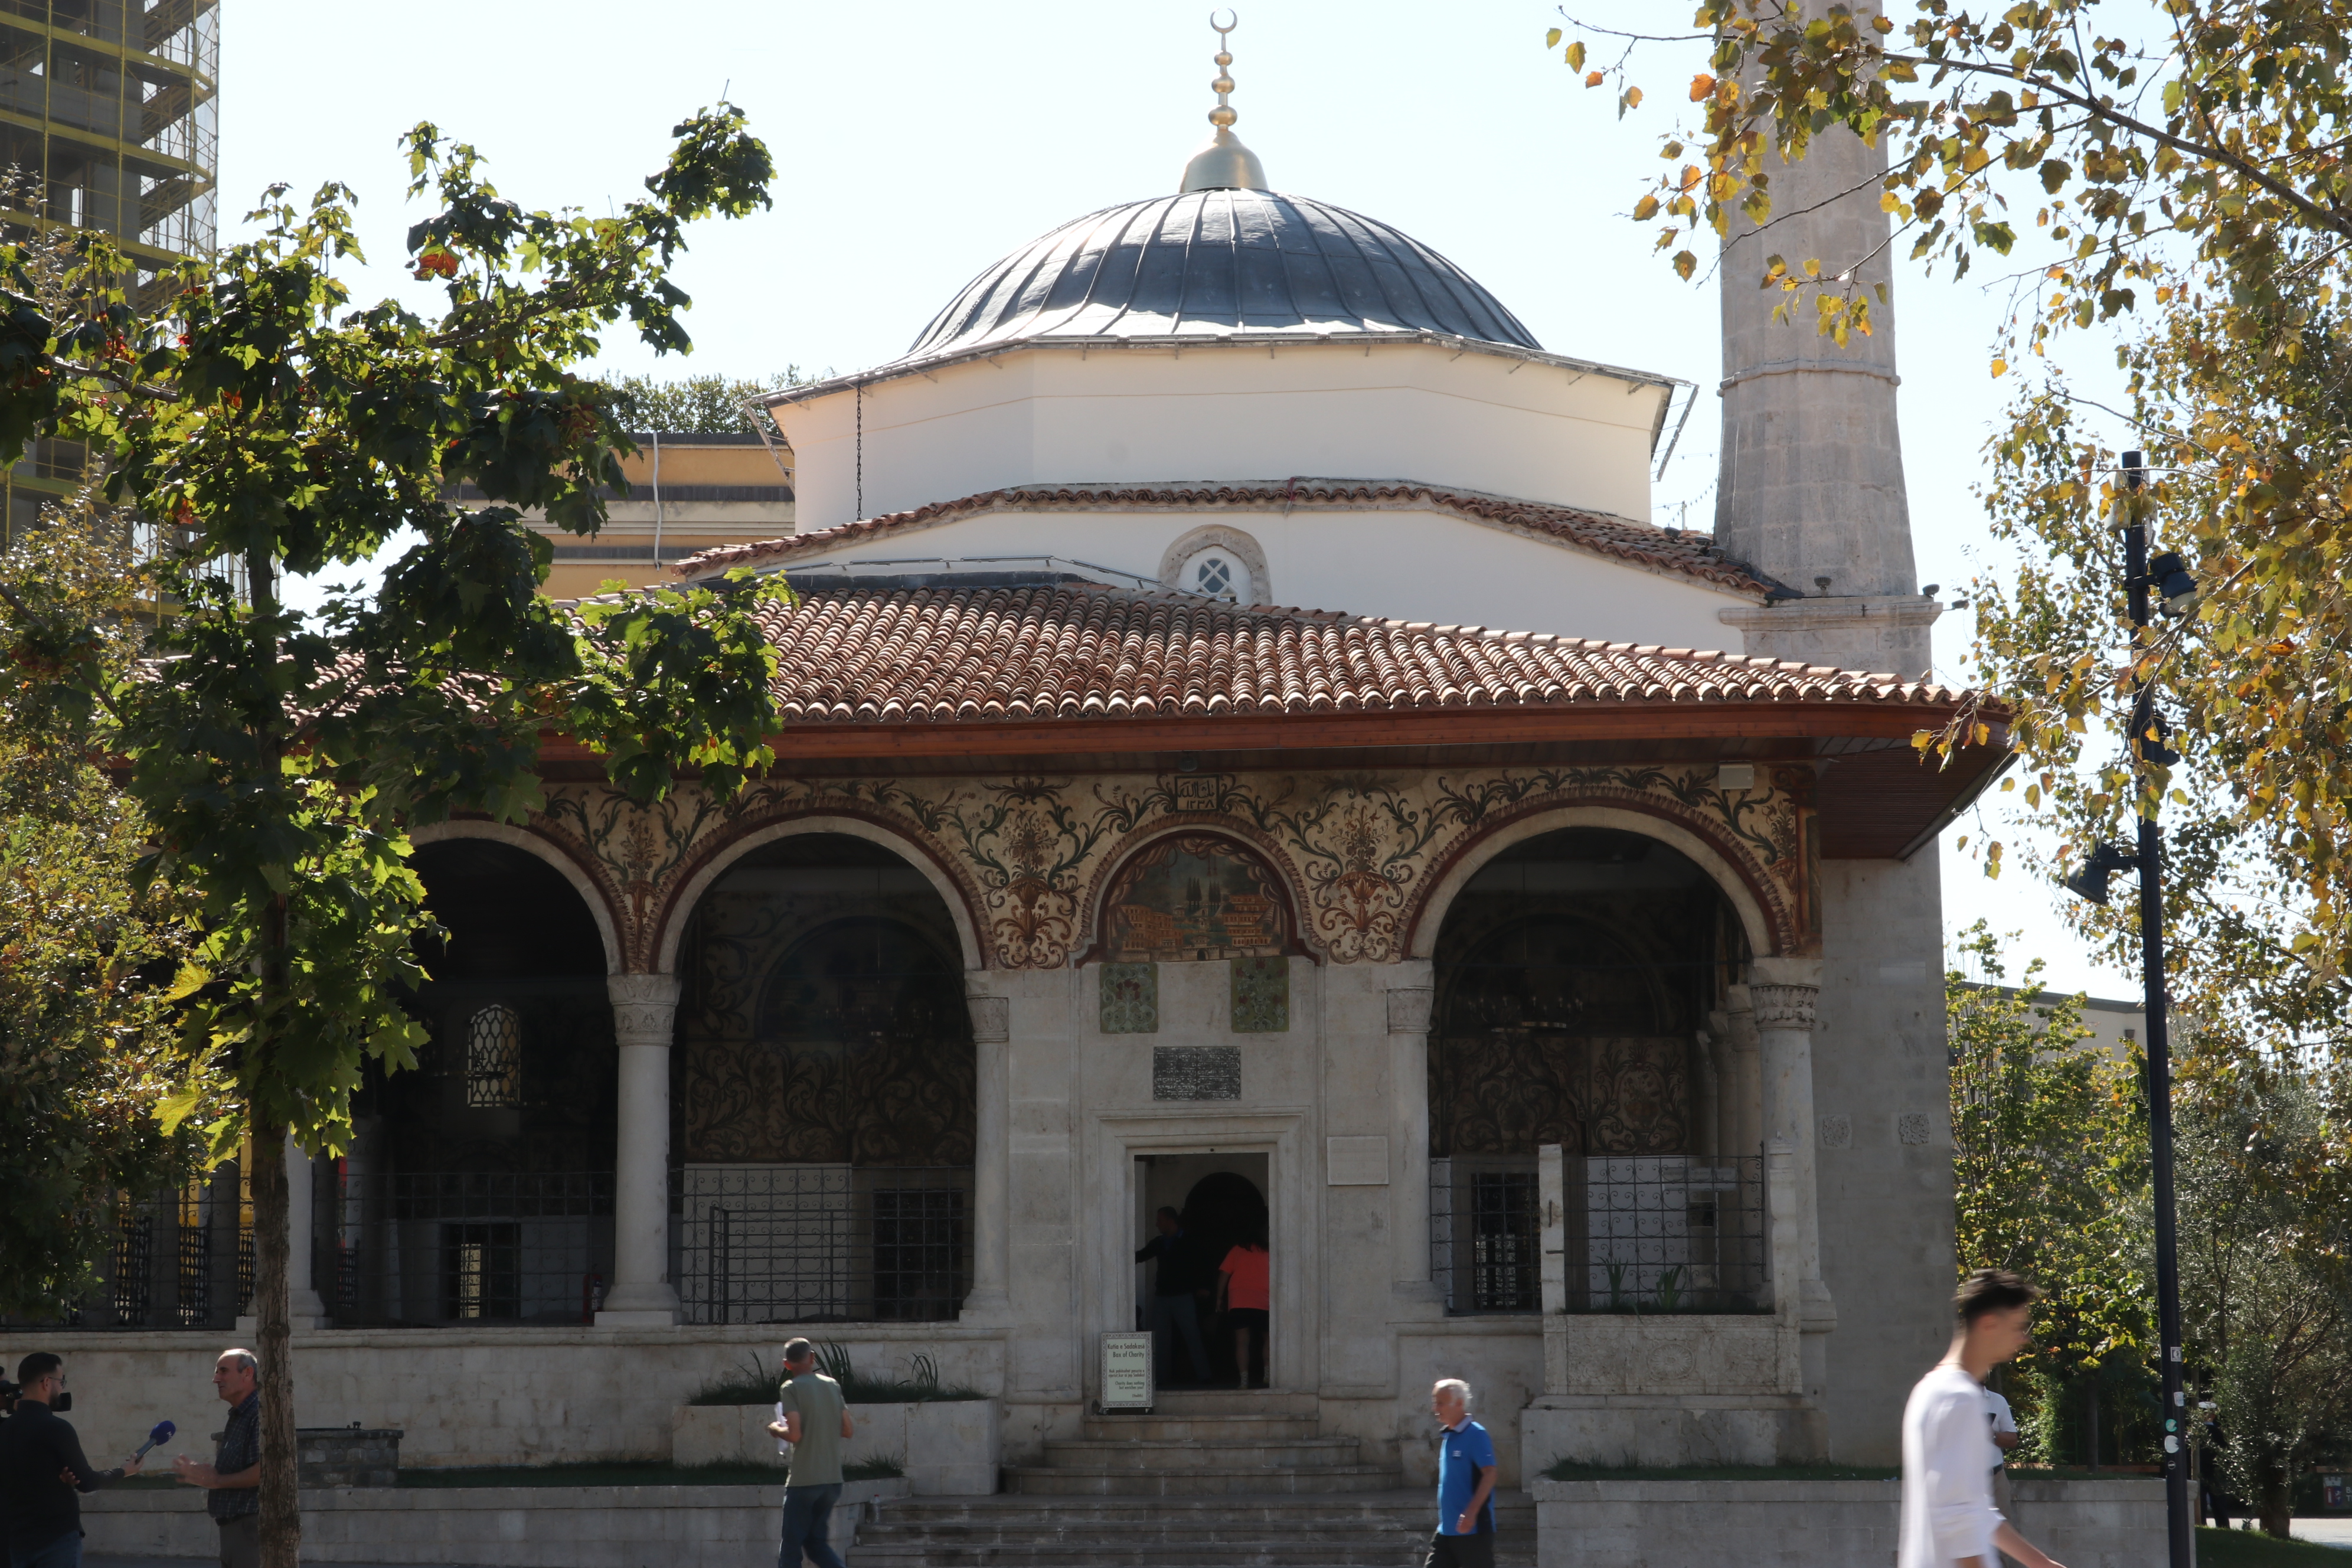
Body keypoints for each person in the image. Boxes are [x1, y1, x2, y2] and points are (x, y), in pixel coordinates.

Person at [1900, 1271, 2066, 1568]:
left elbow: (1974, 1508)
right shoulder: (1960, 1398)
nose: (2024, 1338)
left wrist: (2040, 1563)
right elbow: (1958, 1516)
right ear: (1989, 1323)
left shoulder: (1930, 1389)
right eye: (2017, 1327)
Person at [0, 1353, 143, 1568]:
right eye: (61, 1382)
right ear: (47, 1383)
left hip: (17, 1541)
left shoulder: (6, 1428)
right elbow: (87, 1481)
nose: (62, 1389)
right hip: (55, 1540)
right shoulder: (57, 1428)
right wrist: (124, 1471)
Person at [765, 1338, 854, 1568]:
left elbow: (794, 1435)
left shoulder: (791, 1388)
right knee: (817, 1544)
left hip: (804, 1479)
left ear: (787, 1365)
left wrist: (775, 1429)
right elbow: (848, 1430)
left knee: (791, 1549)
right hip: (832, 1479)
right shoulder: (832, 1385)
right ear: (813, 1357)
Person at [171, 1349, 261, 1568]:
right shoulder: (239, 1415)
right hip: (233, 1531)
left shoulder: (259, 1413)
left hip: (249, 1531)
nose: (215, 1379)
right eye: (216, 1372)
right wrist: (207, 1475)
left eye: (223, 1371)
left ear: (247, 1373)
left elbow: (264, 1472)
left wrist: (216, 1480)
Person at [1135, 1207, 1213, 1387]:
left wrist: (1205, 1287)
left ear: (1171, 1221)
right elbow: (1141, 1256)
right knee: (1160, 1341)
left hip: (1183, 1296)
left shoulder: (1189, 1241)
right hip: (1162, 1297)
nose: (1157, 1224)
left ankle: (1204, 1376)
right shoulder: (1159, 1242)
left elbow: (1204, 1265)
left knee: (1192, 1337)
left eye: (1160, 1220)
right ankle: (1161, 1379)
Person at [1426, 1377, 1497, 1568]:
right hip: (1446, 1530)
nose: (1435, 1408)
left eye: (1440, 1403)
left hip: (1472, 1532)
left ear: (1458, 1404)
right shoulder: (1449, 1436)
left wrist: (1471, 1513)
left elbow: (1490, 1474)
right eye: (1435, 1402)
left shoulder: (1476, 1434)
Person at [1216, 1219, 1270, 1390]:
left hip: (1239, 1300)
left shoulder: (1237, 1250)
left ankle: (1244, 1381)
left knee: (1242, 1342)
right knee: (1269, 1339)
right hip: (1264, 1299)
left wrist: (1219, 1298)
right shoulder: (1270, 1251)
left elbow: (1224, 1274)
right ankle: (1268, 1375)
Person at [1985, 1383, 2019, 1521]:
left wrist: (1992, 1435)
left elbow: (2013, 1440)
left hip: (1996, 1478)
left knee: (2001, 1525)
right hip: (1965, 1479)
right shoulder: (1954, 1401)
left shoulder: (1997, 1400)